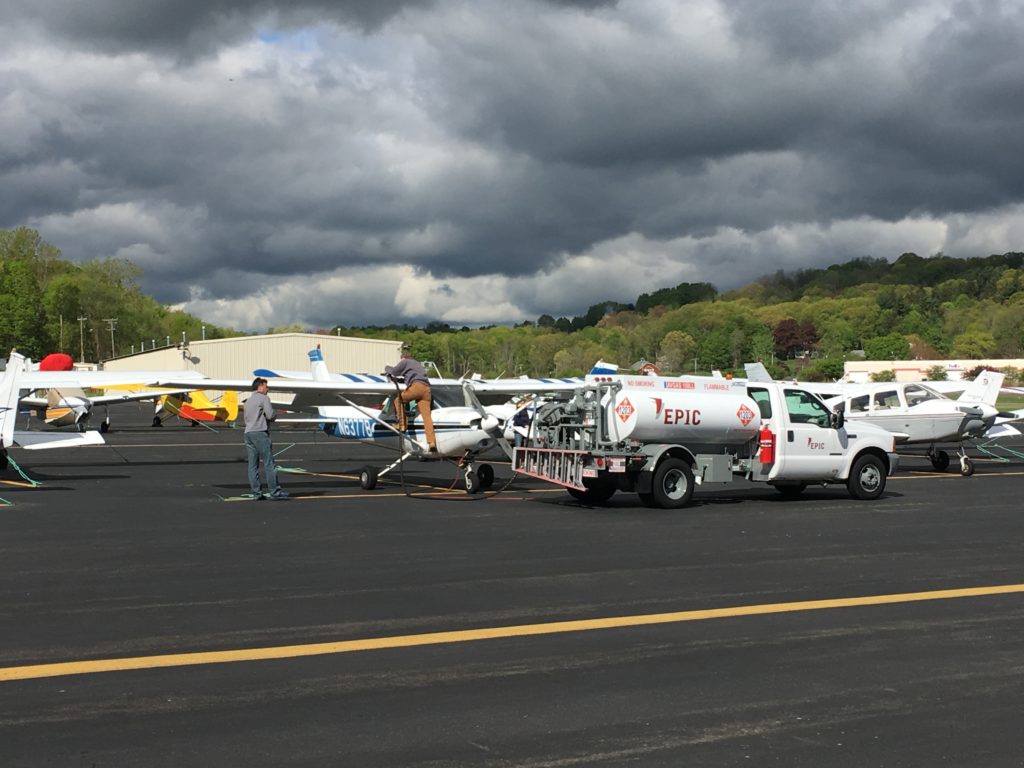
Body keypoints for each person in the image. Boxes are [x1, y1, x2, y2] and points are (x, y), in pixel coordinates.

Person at [384, 344, 438, 452]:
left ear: (403, 358)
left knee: (398, 400)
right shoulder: (417, 364)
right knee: (427, 418)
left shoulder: (405, 362)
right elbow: (407, 376)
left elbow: (394, 371)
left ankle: (402, 424)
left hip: (416, 387)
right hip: (427, 390)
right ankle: (432, 442)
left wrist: (387, 368)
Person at [243, 377, 288, 500]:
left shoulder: (248, 401)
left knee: (253, 466)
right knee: (269, 464)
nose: (268, 389)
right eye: (266, 387)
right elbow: (270, 415)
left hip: (248, 433)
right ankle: (275, 491)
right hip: (260, 433)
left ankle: (256, 493)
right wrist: (275, 415)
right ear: (261, 386)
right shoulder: (264, 398)